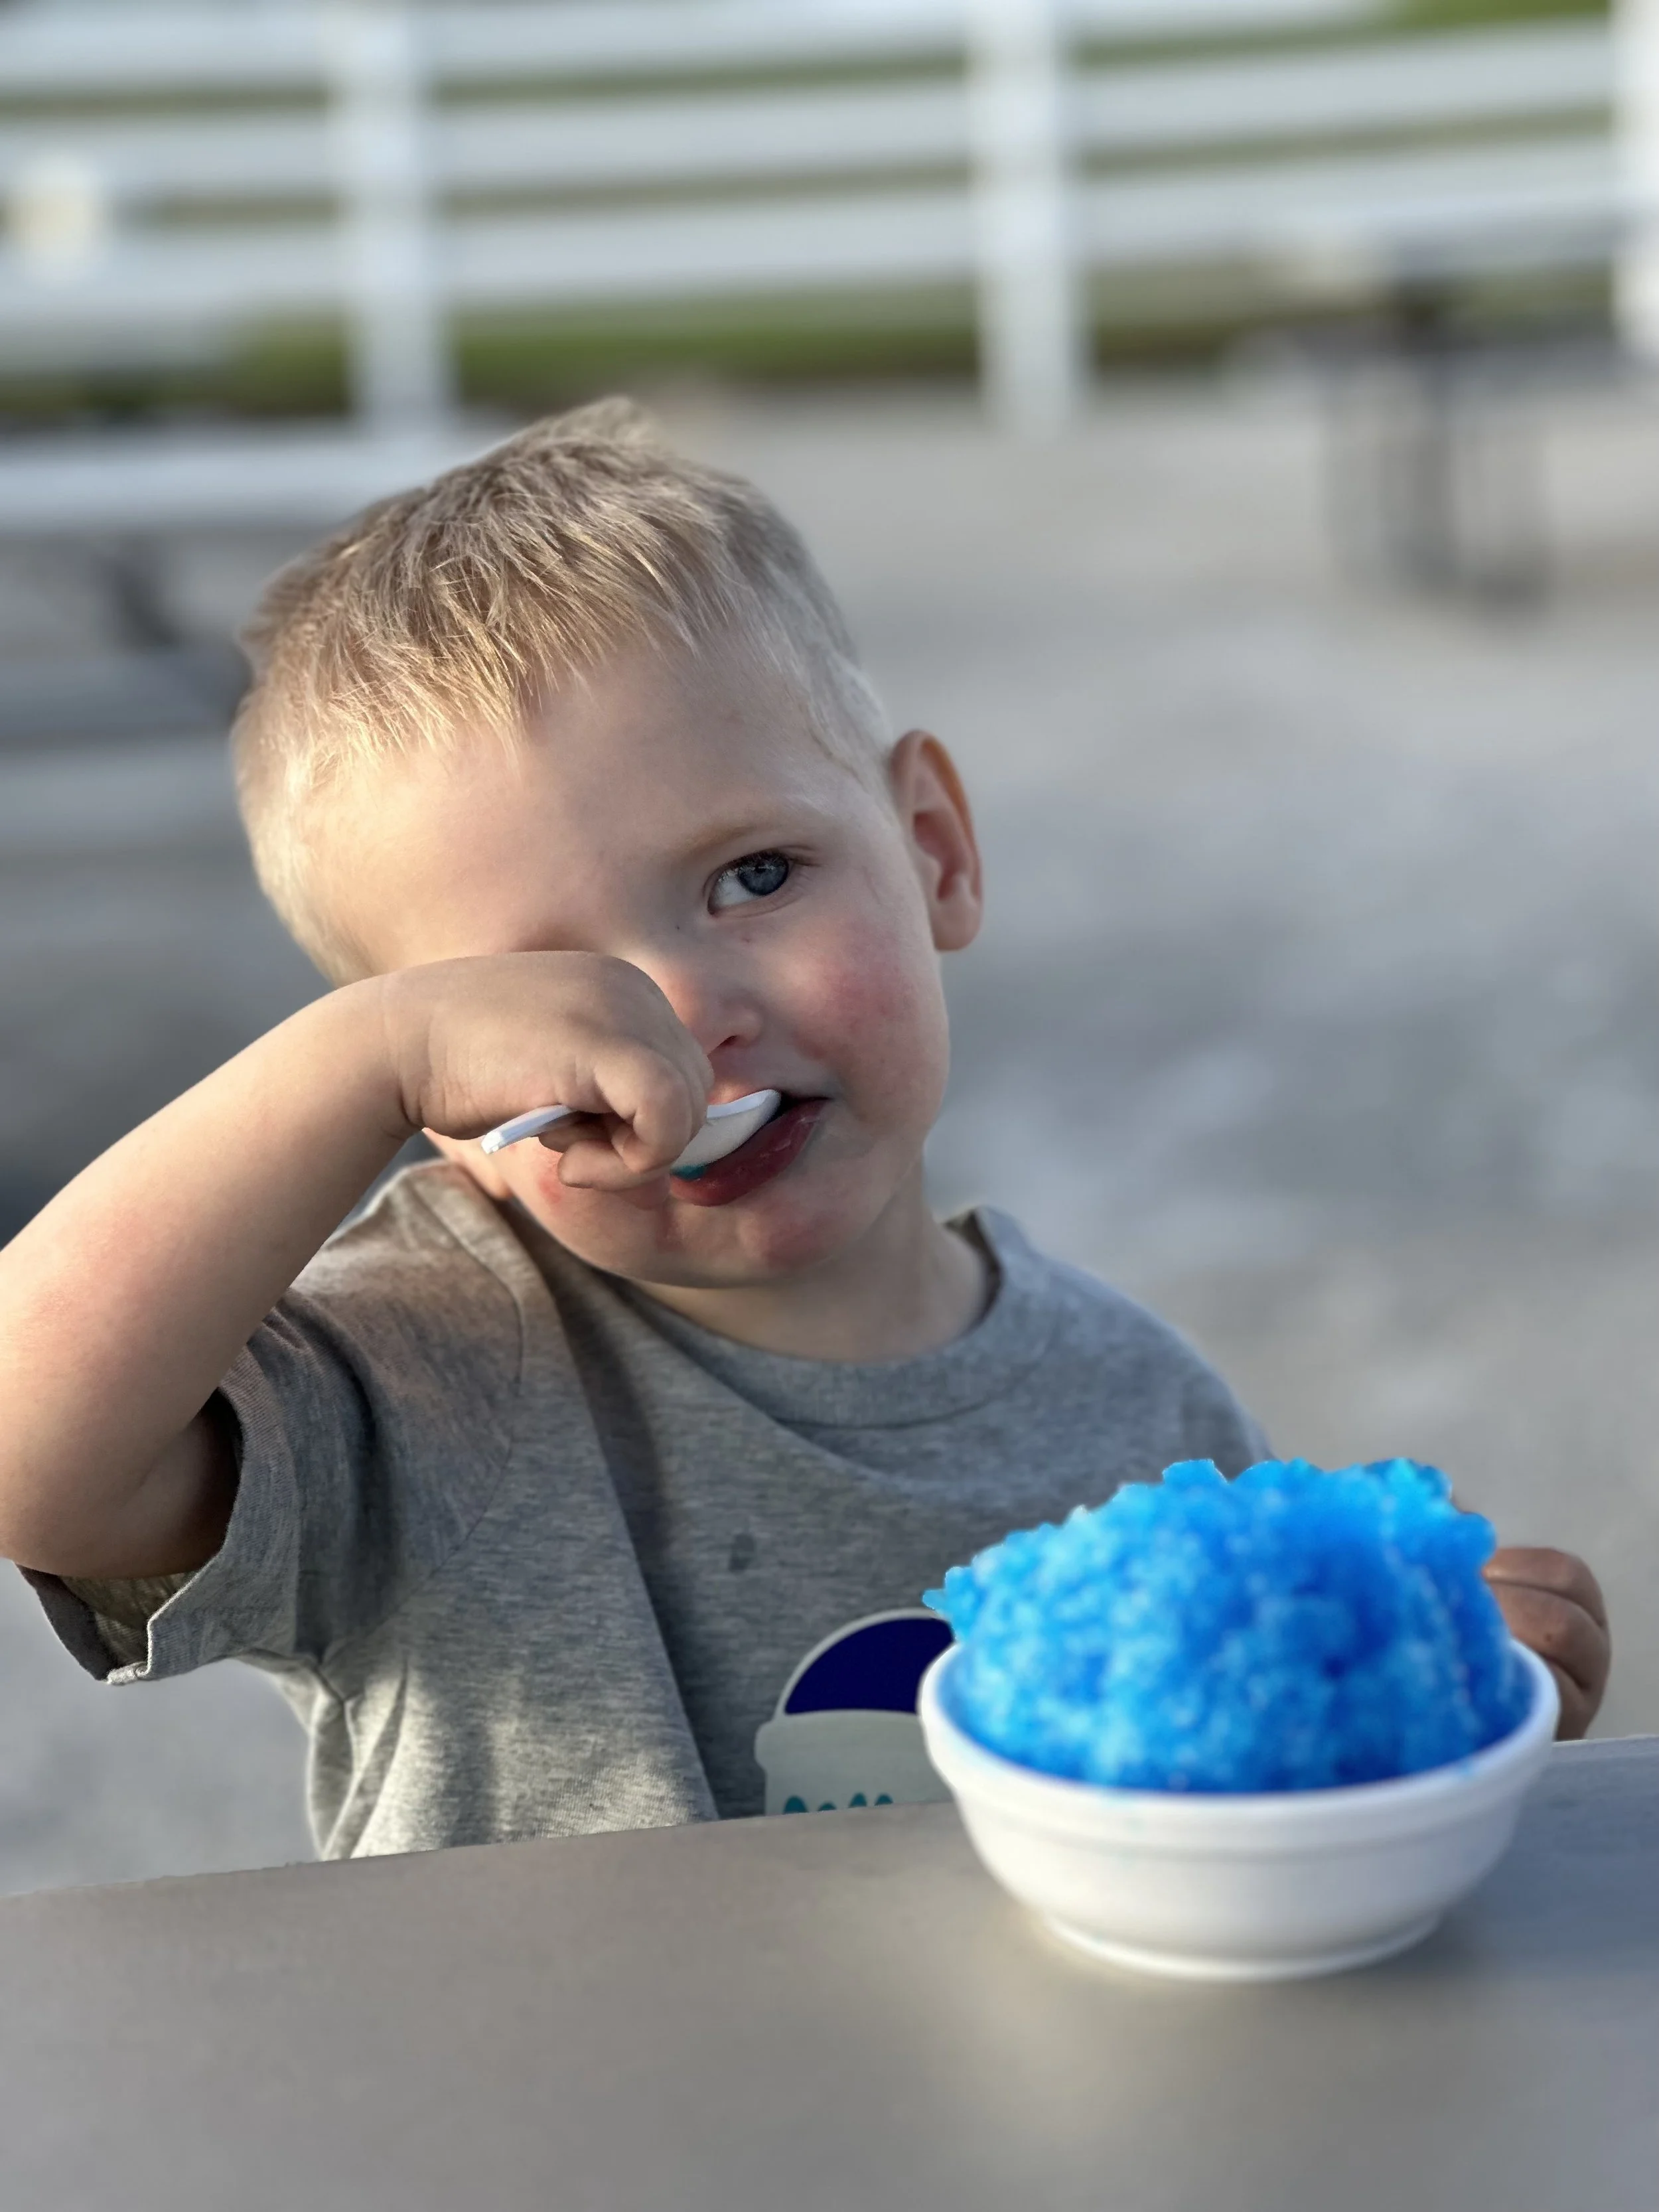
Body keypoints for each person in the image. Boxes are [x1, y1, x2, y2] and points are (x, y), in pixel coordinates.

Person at [0, 404, 1610, 1860]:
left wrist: (1407, 1688)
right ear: (439, 1098)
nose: (678, 1015)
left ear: (932, 851)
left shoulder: (1143, 1410)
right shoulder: (411, 1370)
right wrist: (353, 1062)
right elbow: (29, 1458)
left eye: (754, 877)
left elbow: (1218, 1837)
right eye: (527, 990)